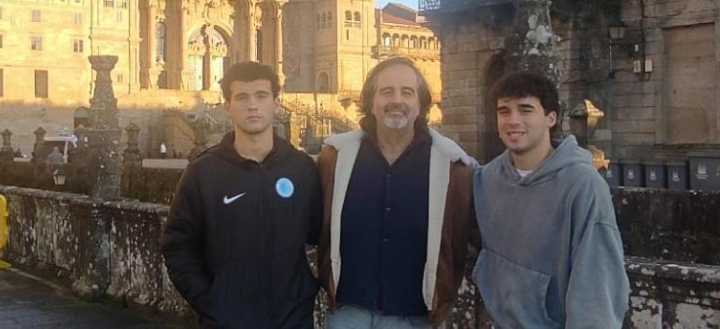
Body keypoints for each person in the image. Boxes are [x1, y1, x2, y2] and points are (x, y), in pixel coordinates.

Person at [316, 56, 478, 328]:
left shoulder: (453, 167)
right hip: (347, 313)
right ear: (370, 102)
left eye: (407, 92)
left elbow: (467, 235)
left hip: (414, 316)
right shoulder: (334, 159)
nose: (397, 100)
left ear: (421, 103)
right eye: (386, 91)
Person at [161, 61, 322, 328]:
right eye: (242, 97)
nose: (252, 105)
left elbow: (321, 235)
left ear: (276, 103)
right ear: (227, 107)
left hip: (293, 319)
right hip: (226, 321)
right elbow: (177, 246)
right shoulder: (203, 173)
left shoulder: (302, 169)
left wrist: (307, 289)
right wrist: (211, 302)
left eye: (261, 96)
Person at [472, 70, 629, 328]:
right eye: (504, 111)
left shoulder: (583, 186)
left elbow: (597, 290)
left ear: (550, 118)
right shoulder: (486, 179)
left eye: (525, 110)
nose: (513, 120)